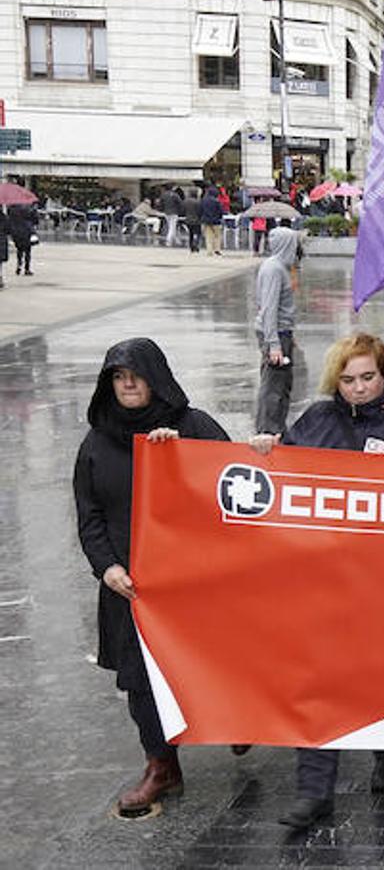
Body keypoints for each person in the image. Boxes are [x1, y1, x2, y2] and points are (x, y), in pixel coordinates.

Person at [248, 334, 384, 830]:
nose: (358, 388)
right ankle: (314, 789)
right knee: (317, 681)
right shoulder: (317, 420)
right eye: (349, 379)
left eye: (368, 378)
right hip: (325, 580)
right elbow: (284, 476)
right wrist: (268, 451)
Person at [74, 339, 232, 818]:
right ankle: (161, 765)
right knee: (141, 682)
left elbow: (237, 481)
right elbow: (90, 515)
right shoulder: (97, 442)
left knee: (217, 663)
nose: (126, 383)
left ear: (155, 377)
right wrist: (107, 567)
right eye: (117, 376)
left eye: (134, 375)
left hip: (195, 582)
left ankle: (237, 722)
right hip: (132, 588)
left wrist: (182, 456)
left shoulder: (193, 426)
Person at [254, 227, 299, 434]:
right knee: (273, 385)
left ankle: (277, 427)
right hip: (276, 334)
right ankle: (268, 430)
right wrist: (274, 344)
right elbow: (269, 308)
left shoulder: (278, 267)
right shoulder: (274, 269)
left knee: (282, 383)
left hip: (282, 332)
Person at [8, 201, 38, 275]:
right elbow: (35, 220)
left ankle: (19, 266)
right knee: (28, 251)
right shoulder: (29, 208)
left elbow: (10, 219)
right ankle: (27, 268)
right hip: (27, 231)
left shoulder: (12, 208)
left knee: (19, 250)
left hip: (16, 231)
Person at [198, 186, 225, 256]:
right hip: (216, 221)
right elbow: (221, 211)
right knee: (217, 235)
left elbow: (200, 210)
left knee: (208, 236)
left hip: (206, 220)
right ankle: (217, 249)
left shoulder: (203, 200)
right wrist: (219, 217)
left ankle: (209, 251)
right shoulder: (217, 201)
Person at [179, 186, 202, 253]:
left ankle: (191, 246)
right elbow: (200, 211)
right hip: (197, 220)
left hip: (188, 220)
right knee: (198, 233)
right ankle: (196, 245)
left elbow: (182, 211)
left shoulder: (185, 201)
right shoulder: (198, 202)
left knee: (191, 234)